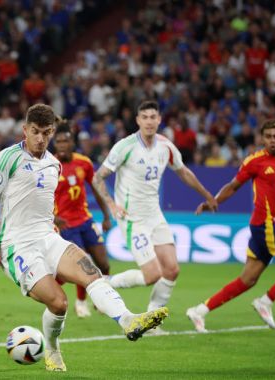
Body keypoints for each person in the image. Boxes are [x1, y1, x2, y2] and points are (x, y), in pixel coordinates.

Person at [0, 103, 169, 372]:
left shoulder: (53, 164)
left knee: (92, 273)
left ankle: (128, 320)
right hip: (16, 246)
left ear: (53, 132)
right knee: (59, 302)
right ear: (25, 130)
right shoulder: (8, 158)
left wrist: (52, 223)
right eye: (35, 132)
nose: (41, 138)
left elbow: (39, 203)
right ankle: (53, 350)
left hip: (48, 237)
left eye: (46, 133)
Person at [92, 100, 218, 334]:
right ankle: (105, 284)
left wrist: (207, 195)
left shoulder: (166, 146)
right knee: (152, 275)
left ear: (159, 120)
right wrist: (111, 204)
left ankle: (151, 322)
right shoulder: (125, 146)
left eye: (153, 117)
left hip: (155, 216)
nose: (149, 121)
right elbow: (98, 177)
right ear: (138, 120)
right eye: (145, 117)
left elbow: (184, 172)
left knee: (171, 270)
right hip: (132, 218)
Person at [186, 119, 275, 332]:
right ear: (262, 139)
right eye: (268, 137)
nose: (272, 141)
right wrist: (214, 202)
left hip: (267, 227)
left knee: (247, 280)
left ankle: (199, 311)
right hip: (265, 224)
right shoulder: (255, 161)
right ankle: (266, 301)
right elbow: (233, 186)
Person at [52, 122, 113, 318]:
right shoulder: (50, 166)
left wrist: (106, 215)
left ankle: (103, 298)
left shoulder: (84, 163)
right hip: (66, 225)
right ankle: (81, 302)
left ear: (72, 142)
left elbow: (95, 189)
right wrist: (52, 217)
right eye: (58, 141)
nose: (62, 145)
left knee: (103, 264)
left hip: (86, 220)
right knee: (83, 263)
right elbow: (38, 195)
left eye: (65, 141)